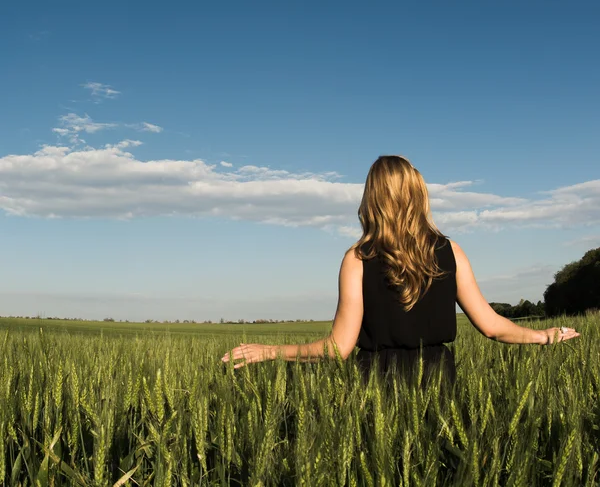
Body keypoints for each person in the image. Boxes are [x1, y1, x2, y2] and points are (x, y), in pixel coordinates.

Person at [221, 155, 581, 388]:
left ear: (371, 199)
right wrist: (543, 335)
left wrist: (269, 351)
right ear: (418, 194)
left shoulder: (357, 258)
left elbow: (338, 348)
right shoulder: (450, 251)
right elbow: (491, 325)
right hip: (439, 383)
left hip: (376, 387)